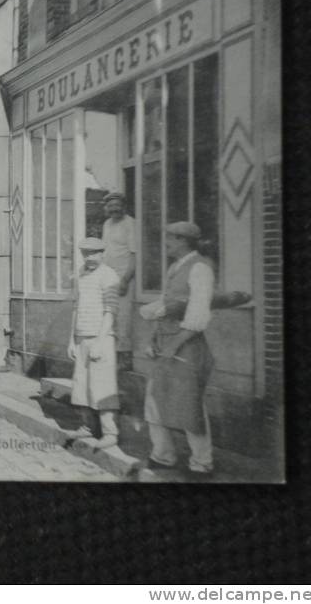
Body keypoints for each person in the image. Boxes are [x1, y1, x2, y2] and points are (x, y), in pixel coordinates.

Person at [140, 221, 216, 478]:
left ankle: (201, 463)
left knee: (190, 407)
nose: (166, 244)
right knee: (154, 399)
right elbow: (165, 306)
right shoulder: (175, 268)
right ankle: (163, 456)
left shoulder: (200, 269)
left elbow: (198, 315)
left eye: (170, 240)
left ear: (183, 241)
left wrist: (173, 346)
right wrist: (154, 339)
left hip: (188, 346)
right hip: (167, 343)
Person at [66, 237, 121, 449]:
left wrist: (99, 341)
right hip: (81, 337)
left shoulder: (109, 276)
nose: (88, 257)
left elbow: (111, 311)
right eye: (85, 253)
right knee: (82, 384)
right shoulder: (80, 274)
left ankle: (110, 433)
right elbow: (76, 307)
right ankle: (88, 427)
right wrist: (71, 339)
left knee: (103, 386)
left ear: (102, 253)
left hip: (102, 338)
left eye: (93, 253)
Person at [101, 191, 137, 370]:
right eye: (110, 206)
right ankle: (111, 355)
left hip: (124, 278)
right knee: (109, 316)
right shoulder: (107, 224)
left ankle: (125, 359)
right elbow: (105, 251)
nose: (114, 209)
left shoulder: (130, 224)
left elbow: (135, 255)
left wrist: (125, 280)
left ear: (124, 206)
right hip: (108, 277)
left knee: (124, 318)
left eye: (117, 205)